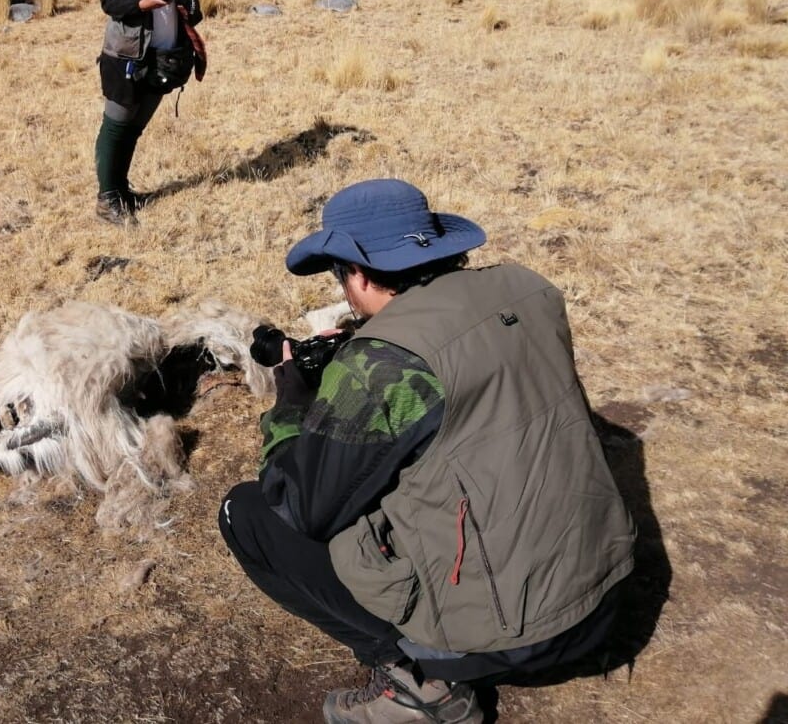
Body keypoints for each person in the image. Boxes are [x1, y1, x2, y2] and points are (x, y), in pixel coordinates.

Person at [219, 179, 635, 723]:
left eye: (340, 275)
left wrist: (292, 401)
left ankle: (422, 684)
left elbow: (302, 504)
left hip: (512, 634)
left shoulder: (384, 364)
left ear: (358, 274)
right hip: (603, 592)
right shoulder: (528, 289)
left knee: (248, 513)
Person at [94, 0, 206, 225]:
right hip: (128, 52)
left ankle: (121, 190)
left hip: (165, 52)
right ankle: (107, 199)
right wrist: (141, 5)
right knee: (117, 122)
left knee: (136, 125)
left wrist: (190, 5)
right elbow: (108, 1)